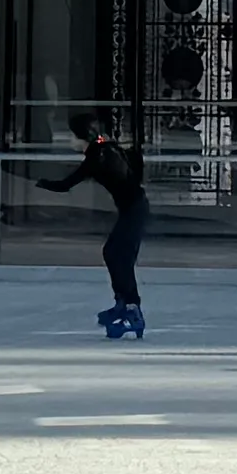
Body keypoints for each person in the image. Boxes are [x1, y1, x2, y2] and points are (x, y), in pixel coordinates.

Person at [33, 115, 152, 339]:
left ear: (80, 136)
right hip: (135, 207)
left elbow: (66, 184)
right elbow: (135, 160)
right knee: (113, 253)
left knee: (119, 256)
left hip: (135, 209)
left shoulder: (96, 157)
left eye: (71, 136)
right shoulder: (107, 148)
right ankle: (123, 302)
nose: (70, 141)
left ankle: (132, 309)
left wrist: (40, 182)